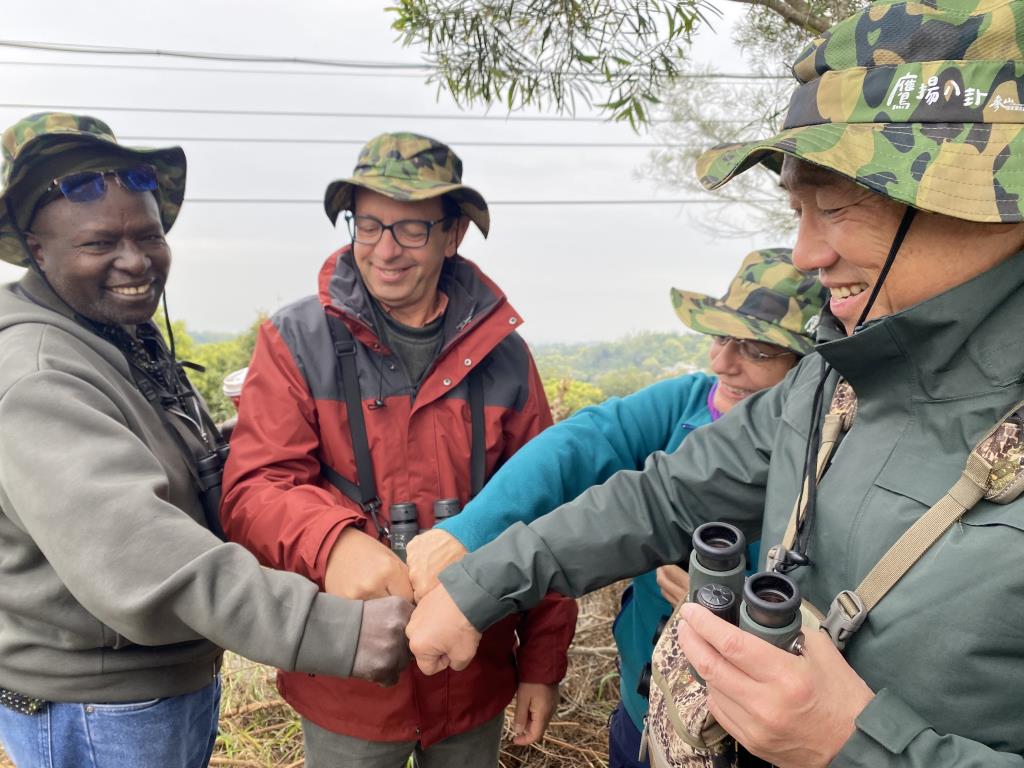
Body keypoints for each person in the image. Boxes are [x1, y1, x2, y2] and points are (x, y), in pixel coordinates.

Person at [405, 1, 1024, 764]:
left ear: (989, 195)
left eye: (835, 209)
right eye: (798, 210)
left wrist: (854, 747)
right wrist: (481, 581)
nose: (805, 254)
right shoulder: (835, 384)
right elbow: (664, 495)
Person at [0, 113, 411, 768]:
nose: (134, 262)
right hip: (101, 706)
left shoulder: (113, 333)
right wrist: (344, 632)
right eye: (99, 243)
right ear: (37, 248)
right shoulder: (39, 376)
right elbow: (141, 555)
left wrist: (263, 442)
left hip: (153, 681)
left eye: (148, 236)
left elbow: (155, 464)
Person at [221, 132, 577, 768]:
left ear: (453, 234)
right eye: (370, 224)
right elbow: (255, 487)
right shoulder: (296, 340)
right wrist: (334, 543)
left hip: (474, 670)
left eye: (412, 229)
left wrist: (541, 665)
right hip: (347, 677)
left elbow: (547, 511)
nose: (385, 250)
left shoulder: (503, 358)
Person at [405, 247, 827, 767]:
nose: (723, 363)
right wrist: (470, 531)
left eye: (758, 351)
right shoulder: (686, 403)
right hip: (644, 706)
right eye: (720, 337)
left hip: (766, 739)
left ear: (810, 367)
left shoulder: (832, 449)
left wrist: (738, 601)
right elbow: (579, 444)